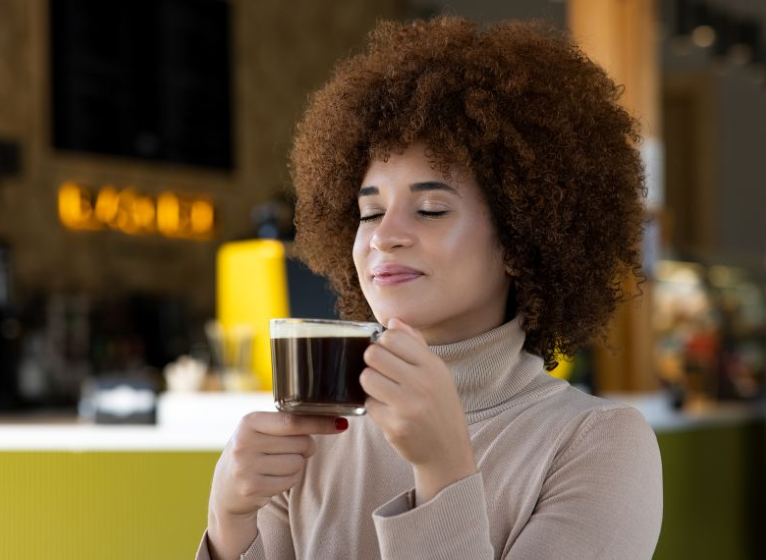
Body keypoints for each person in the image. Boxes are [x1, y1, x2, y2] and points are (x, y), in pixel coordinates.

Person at [198, 16, 662, 560]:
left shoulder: (600, 445)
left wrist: (443, 474)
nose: (384, 237)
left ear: (520, 238)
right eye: (369, 212)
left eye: (431, 209)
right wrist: (228, 525)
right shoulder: (312, 437)